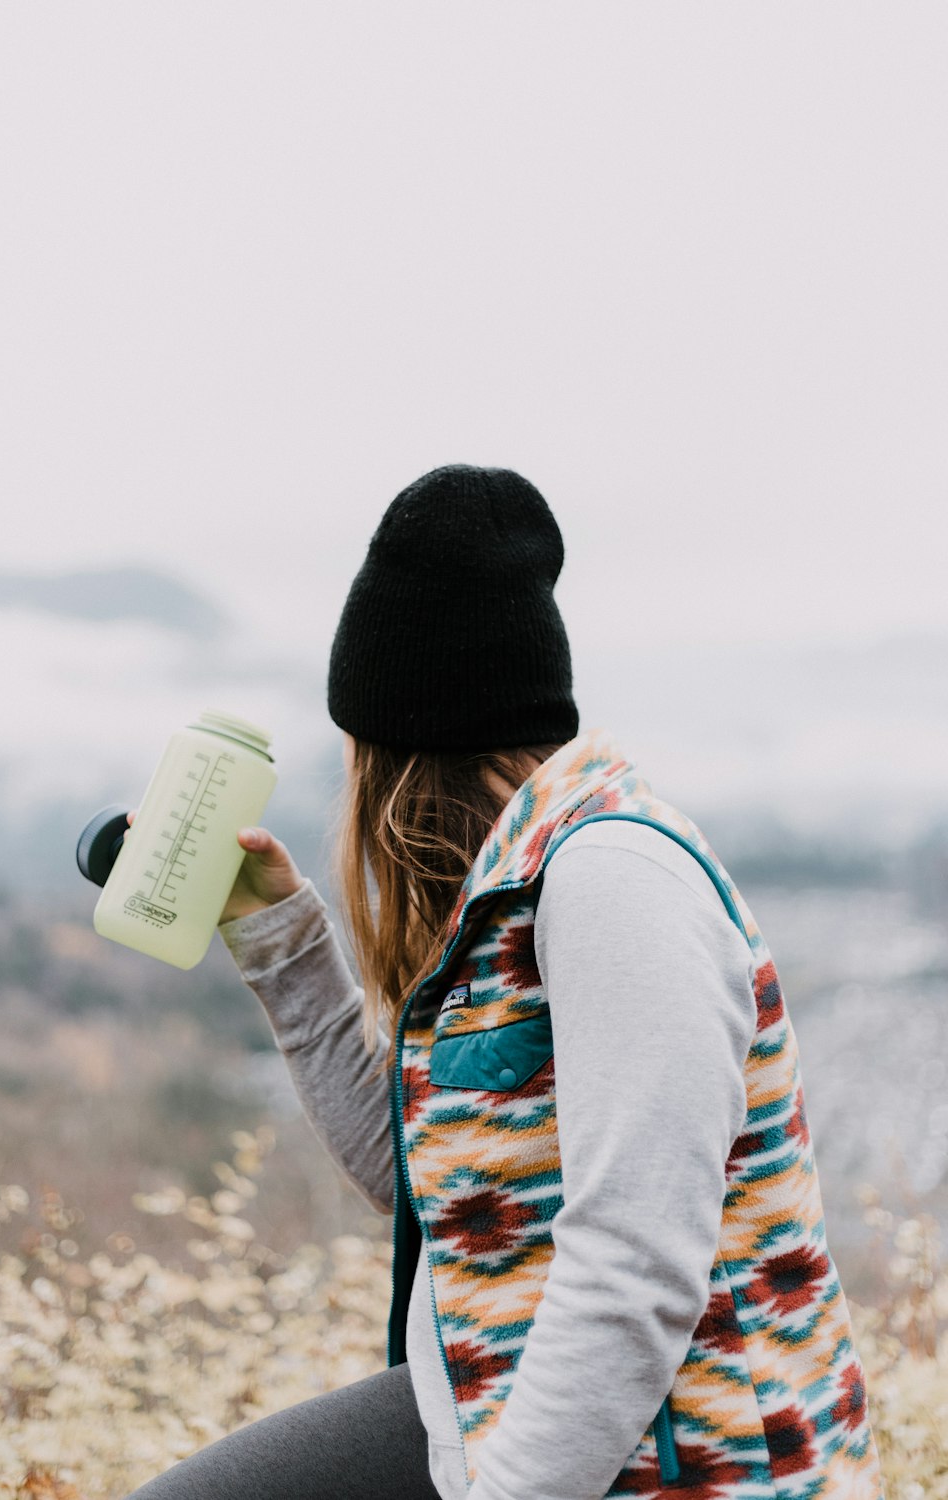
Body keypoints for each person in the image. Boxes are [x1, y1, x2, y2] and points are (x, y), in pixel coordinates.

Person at [127, 464, 885, 1500]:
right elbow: (439, 1195)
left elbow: (633, 1272)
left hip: (689, 1463)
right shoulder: (517, 888)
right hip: (489, 1403)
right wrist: (282, 939)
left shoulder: (615, 882)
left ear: (388, 753)